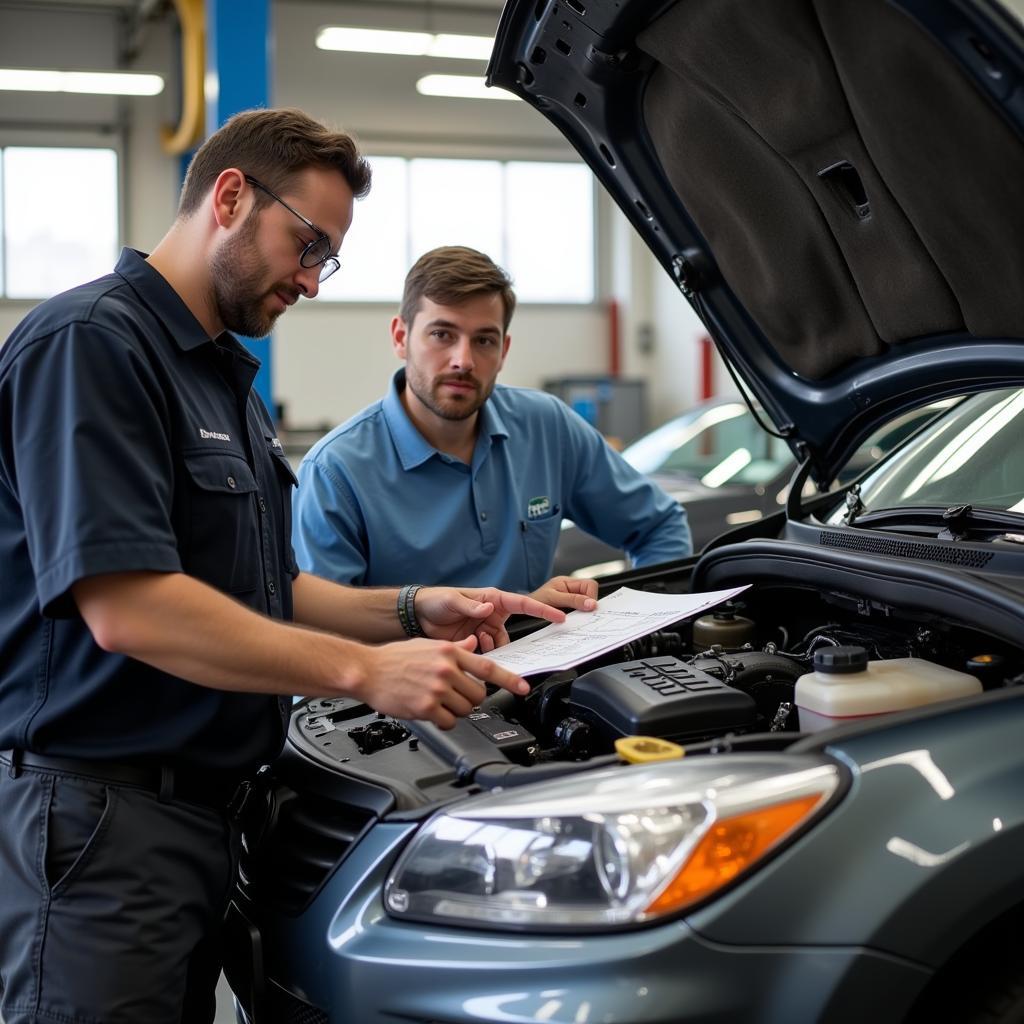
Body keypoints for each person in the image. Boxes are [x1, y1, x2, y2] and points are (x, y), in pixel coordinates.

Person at [0, 109, 574, 1024]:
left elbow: (265, 590)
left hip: (198, 824)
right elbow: (128, 606)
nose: (310, 280)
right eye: (306, 245)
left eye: (327, 259)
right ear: (230, 197)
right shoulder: (93, 346)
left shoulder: (218, 376)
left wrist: (419, 610)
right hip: (100, 826)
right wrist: (368, 673)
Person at [292, 245, 692, 602]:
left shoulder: (546, 428)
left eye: (484, 340)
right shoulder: (336, 473)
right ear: (401, 337)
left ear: (503, 351)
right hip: (415, 685)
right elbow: (318, 645)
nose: (463, 360)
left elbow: (659, 526)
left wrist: (634, 627)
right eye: (442, 334)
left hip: (536, 680)